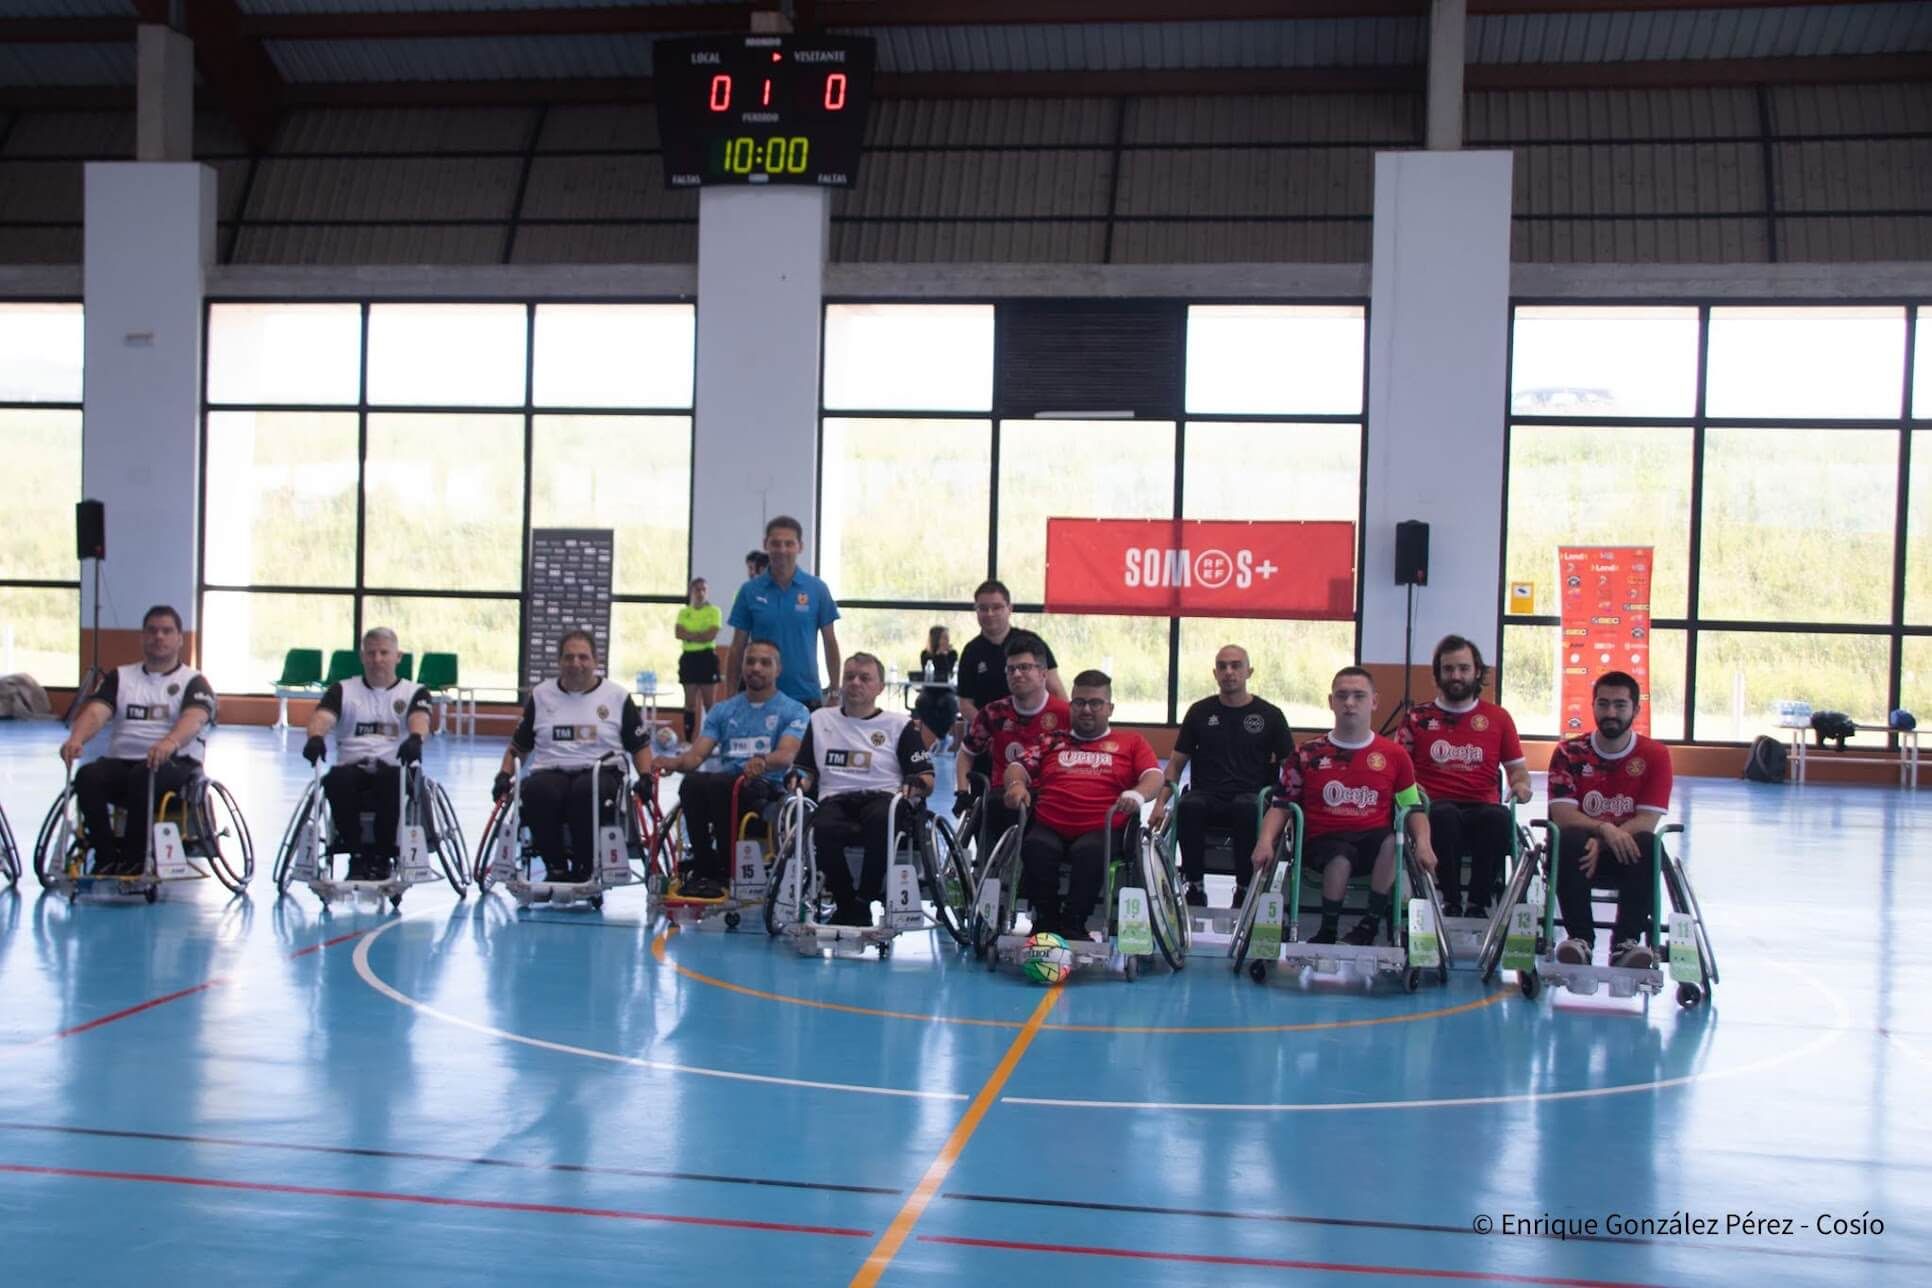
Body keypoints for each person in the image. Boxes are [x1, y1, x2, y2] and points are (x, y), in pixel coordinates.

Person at [1251, 667, 1436, 946]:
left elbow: (1413, 808)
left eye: (1358, 696)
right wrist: (1265, 841)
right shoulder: (1307, 754)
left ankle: (1369, 925)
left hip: (1373, 841)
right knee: (1340, 856)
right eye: (1342, 696)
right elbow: (1281, 804)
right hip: (1322, 842)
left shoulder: (1394, 755)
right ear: (1331, 701)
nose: (1350, 702)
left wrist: (1423, 843)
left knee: (1393, 842)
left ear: (1374, 701)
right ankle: (1328, 929)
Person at [1003, 670, 1161, 940]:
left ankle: (1074, 924)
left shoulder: (1131, 742)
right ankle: (1046, 922)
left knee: (1090, 851)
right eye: (1079, 702)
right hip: (1050, 823)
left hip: (1102, 827)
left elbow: (1154, 776)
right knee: (1034, 846)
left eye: (1095, 703)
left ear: (1110, 708)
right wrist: (1016, 785)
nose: (1086, 709)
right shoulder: (1051, 740)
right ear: (1071, 705)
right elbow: (1017, 766)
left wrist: (1136, 795)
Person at [58, 605, 216, 876]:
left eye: (167, 631)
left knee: (145, 775)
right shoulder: (120, 677)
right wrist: (76, 738)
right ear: (142, 637)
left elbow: (194, 718)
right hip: (124, 762)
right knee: (87, 776)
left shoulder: (194, 681)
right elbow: (97, 712)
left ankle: (136, 860)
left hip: (176, 764)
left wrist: (169, 743)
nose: (159, 637)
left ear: (180, 638)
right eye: (152, 631)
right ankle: (106, 857)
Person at [493, 630, 653, 883]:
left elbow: (639, 746)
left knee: (585, 792)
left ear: (595, 661)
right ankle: (555, 866)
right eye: (568, 658)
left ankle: (585, 865)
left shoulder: (617, 696)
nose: (575, 664)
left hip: (601, 770)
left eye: (582, 657)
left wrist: (646, 776)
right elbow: (519, 746)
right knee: (535, 791)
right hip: (550, 769)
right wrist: (504, 774)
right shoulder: (541, 695)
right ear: (559, 662)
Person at [1396, 634, 1531, 918]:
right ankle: (1451, 901)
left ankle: (1478, 904)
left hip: (1482, 807)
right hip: (1434, 808)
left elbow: (1518, 769)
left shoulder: (1498, 718)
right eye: (1448, 669)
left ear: (1477, 671)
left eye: (1463, 668)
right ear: (1438, 674)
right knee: (1445, 815)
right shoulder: (1416, 718)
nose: (1456, 675)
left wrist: (1521, 785)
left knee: (1499, 818)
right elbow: (1398, 770)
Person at [1150, 644, 1295, 910]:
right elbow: (1176, 764)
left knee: (1246, 807)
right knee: (1189, 805)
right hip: (1207, 794)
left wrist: (1287, 812)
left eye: (1236, 665)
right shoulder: (1199, 712)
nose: (1229, 672)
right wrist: (1160, 802)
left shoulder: (1270, 716)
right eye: (1222, 666)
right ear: (1214, 673)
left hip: (1253, 796)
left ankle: (1243, 888)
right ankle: (1194, 886)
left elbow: (1292, 770)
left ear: (1248, 671)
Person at [794, 654, 933, 926]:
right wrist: (797, 781)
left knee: (883, 819)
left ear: (880, 687)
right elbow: (805, 771)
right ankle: (847, 902)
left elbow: (927, 778)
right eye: (849, 677)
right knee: (822, 827)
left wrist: (916, 785)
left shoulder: (898, 724)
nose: (855, 683)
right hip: (835, 797)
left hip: (882, 796)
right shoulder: (821, 719)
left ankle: (864, 899)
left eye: (865, 678)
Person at [1547, 670, 1673, 970]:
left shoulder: (1655, 755)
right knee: (1569, 838)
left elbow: (1647, 819)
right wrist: (1603, 828)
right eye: (1603, 704)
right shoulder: (1569, 752)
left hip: (1625, 855)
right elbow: (1563, 816)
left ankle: (1625, 944)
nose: (1610, 712)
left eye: (1620, 705)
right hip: (1578, 853)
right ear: (1592, 706)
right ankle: (1580, 940)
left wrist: (1603, 841)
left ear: (1636, 710)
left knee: (1647, 842)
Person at [663, 639, 808, 897]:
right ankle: (704, 869)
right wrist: (671, 762)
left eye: (765, 663)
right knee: (693, 782)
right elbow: (696, 756)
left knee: (720, 783)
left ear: (778, 670)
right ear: (742, 667)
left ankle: (727, 871)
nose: (756, 668)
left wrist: (763, 761)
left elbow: (786, 755)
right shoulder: (724, 710)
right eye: (750, 661)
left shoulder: (794, 710)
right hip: (727, 785)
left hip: (767, 788)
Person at [301, 627, 432, 881]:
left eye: (384, 652)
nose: (377, 659)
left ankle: (383, 856)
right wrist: (315, 737)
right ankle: (357, 856)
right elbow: (323, 716)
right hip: (352, 765)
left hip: (394, 765)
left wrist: (416, 737)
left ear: (398, 656)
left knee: (390, 782)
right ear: (362, 657)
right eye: (371, 653)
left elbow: (420, 718)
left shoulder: (414, 692)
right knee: (336, 781)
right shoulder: (342, 690)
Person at [955, 635, 1072, 851]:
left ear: (1043, 673)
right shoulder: (993, 713)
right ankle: (991, 878)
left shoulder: (1066, 714)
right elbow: (966, 753)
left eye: (1025, 667)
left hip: (1051, 795)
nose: (1016, 674)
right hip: (1004, 797)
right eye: (1011, 669)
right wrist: (963, 791)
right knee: (992, 806)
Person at [724, 516, 840, 709]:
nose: (782, 550)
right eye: (776, 544)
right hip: (759, 697)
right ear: (765, 545)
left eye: (789, 544)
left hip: (805, 696)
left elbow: (830, 643)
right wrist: (730, 695)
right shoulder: (749, 591)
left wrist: (835, 690)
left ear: (800, 547)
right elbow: (737, 648)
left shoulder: (817, 589)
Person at [956, 580, 1066, 728]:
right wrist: (989, 728)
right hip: (990, 732)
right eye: (983, 608)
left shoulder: (1032, 642)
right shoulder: (971, 651)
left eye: (997, 607)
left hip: (1035, 729)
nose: (990, 614)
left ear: (1010, 608)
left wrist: (1065, 725)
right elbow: (965, 704)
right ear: (976, 611)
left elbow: (1056, 689)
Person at [676, 577, 722, 742]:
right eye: (697, 590)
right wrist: (699, 636)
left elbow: (710, 635)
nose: (701, 593)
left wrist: (691, 636)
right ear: (691, 591)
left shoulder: (714, 611)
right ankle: (688, 741)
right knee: (690, 704)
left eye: (704, 590)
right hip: (689, 659)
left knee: (710, 705)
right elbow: (678, 633)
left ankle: (714, 741)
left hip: (707, 658)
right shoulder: (684, 612)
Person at [911, 624, 959, 745]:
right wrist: (937, 655)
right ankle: (938, 735)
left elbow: (947, 673)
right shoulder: (925, 655)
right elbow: (928, 673)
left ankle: (942, 736)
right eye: (944, 637)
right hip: (929, 690)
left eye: (947, 638)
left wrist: (942, 655)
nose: (947, 640)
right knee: (922, 702)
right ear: (936, 639)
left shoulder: (952, 654)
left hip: (946, 690)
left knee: (948, 703)